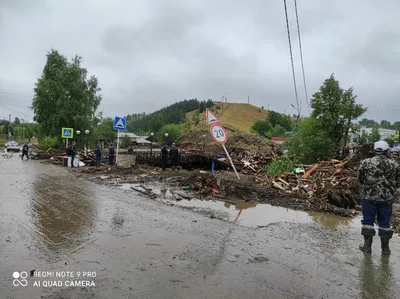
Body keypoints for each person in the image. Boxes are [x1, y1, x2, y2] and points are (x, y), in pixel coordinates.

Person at [357, 140, 400, 255]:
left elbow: (360, 178)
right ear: (386, 150)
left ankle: (367, 246)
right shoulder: (394, 164)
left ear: (375, 150)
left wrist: (366, 187)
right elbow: (398, 182)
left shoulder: (366, 162)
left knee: (367, 221)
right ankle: (385, 249)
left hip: (369, 197)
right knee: (385, 223)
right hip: (387, 199)